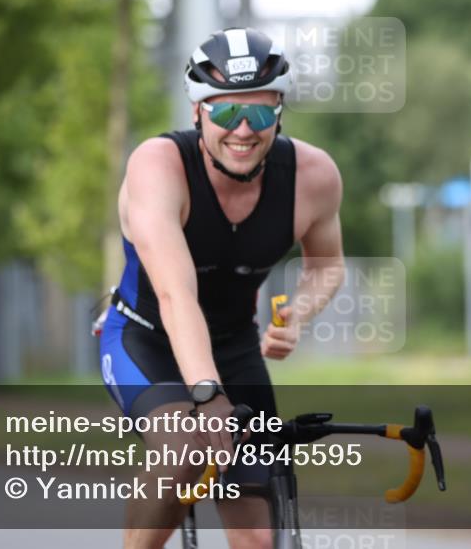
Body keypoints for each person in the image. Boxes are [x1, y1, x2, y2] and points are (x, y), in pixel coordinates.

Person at [98, 27, 346, 549]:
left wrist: (297, 313)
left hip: (234, 346)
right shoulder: (159, 167)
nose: (243, 131)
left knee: (257, 535)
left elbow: (326, 265)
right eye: (225, 112)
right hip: (146, 339)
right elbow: (175, 297)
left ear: (279, 110)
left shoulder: (313, 176)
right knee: (184, 448)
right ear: (196, 112)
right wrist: (207, 396)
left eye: (258, 114)